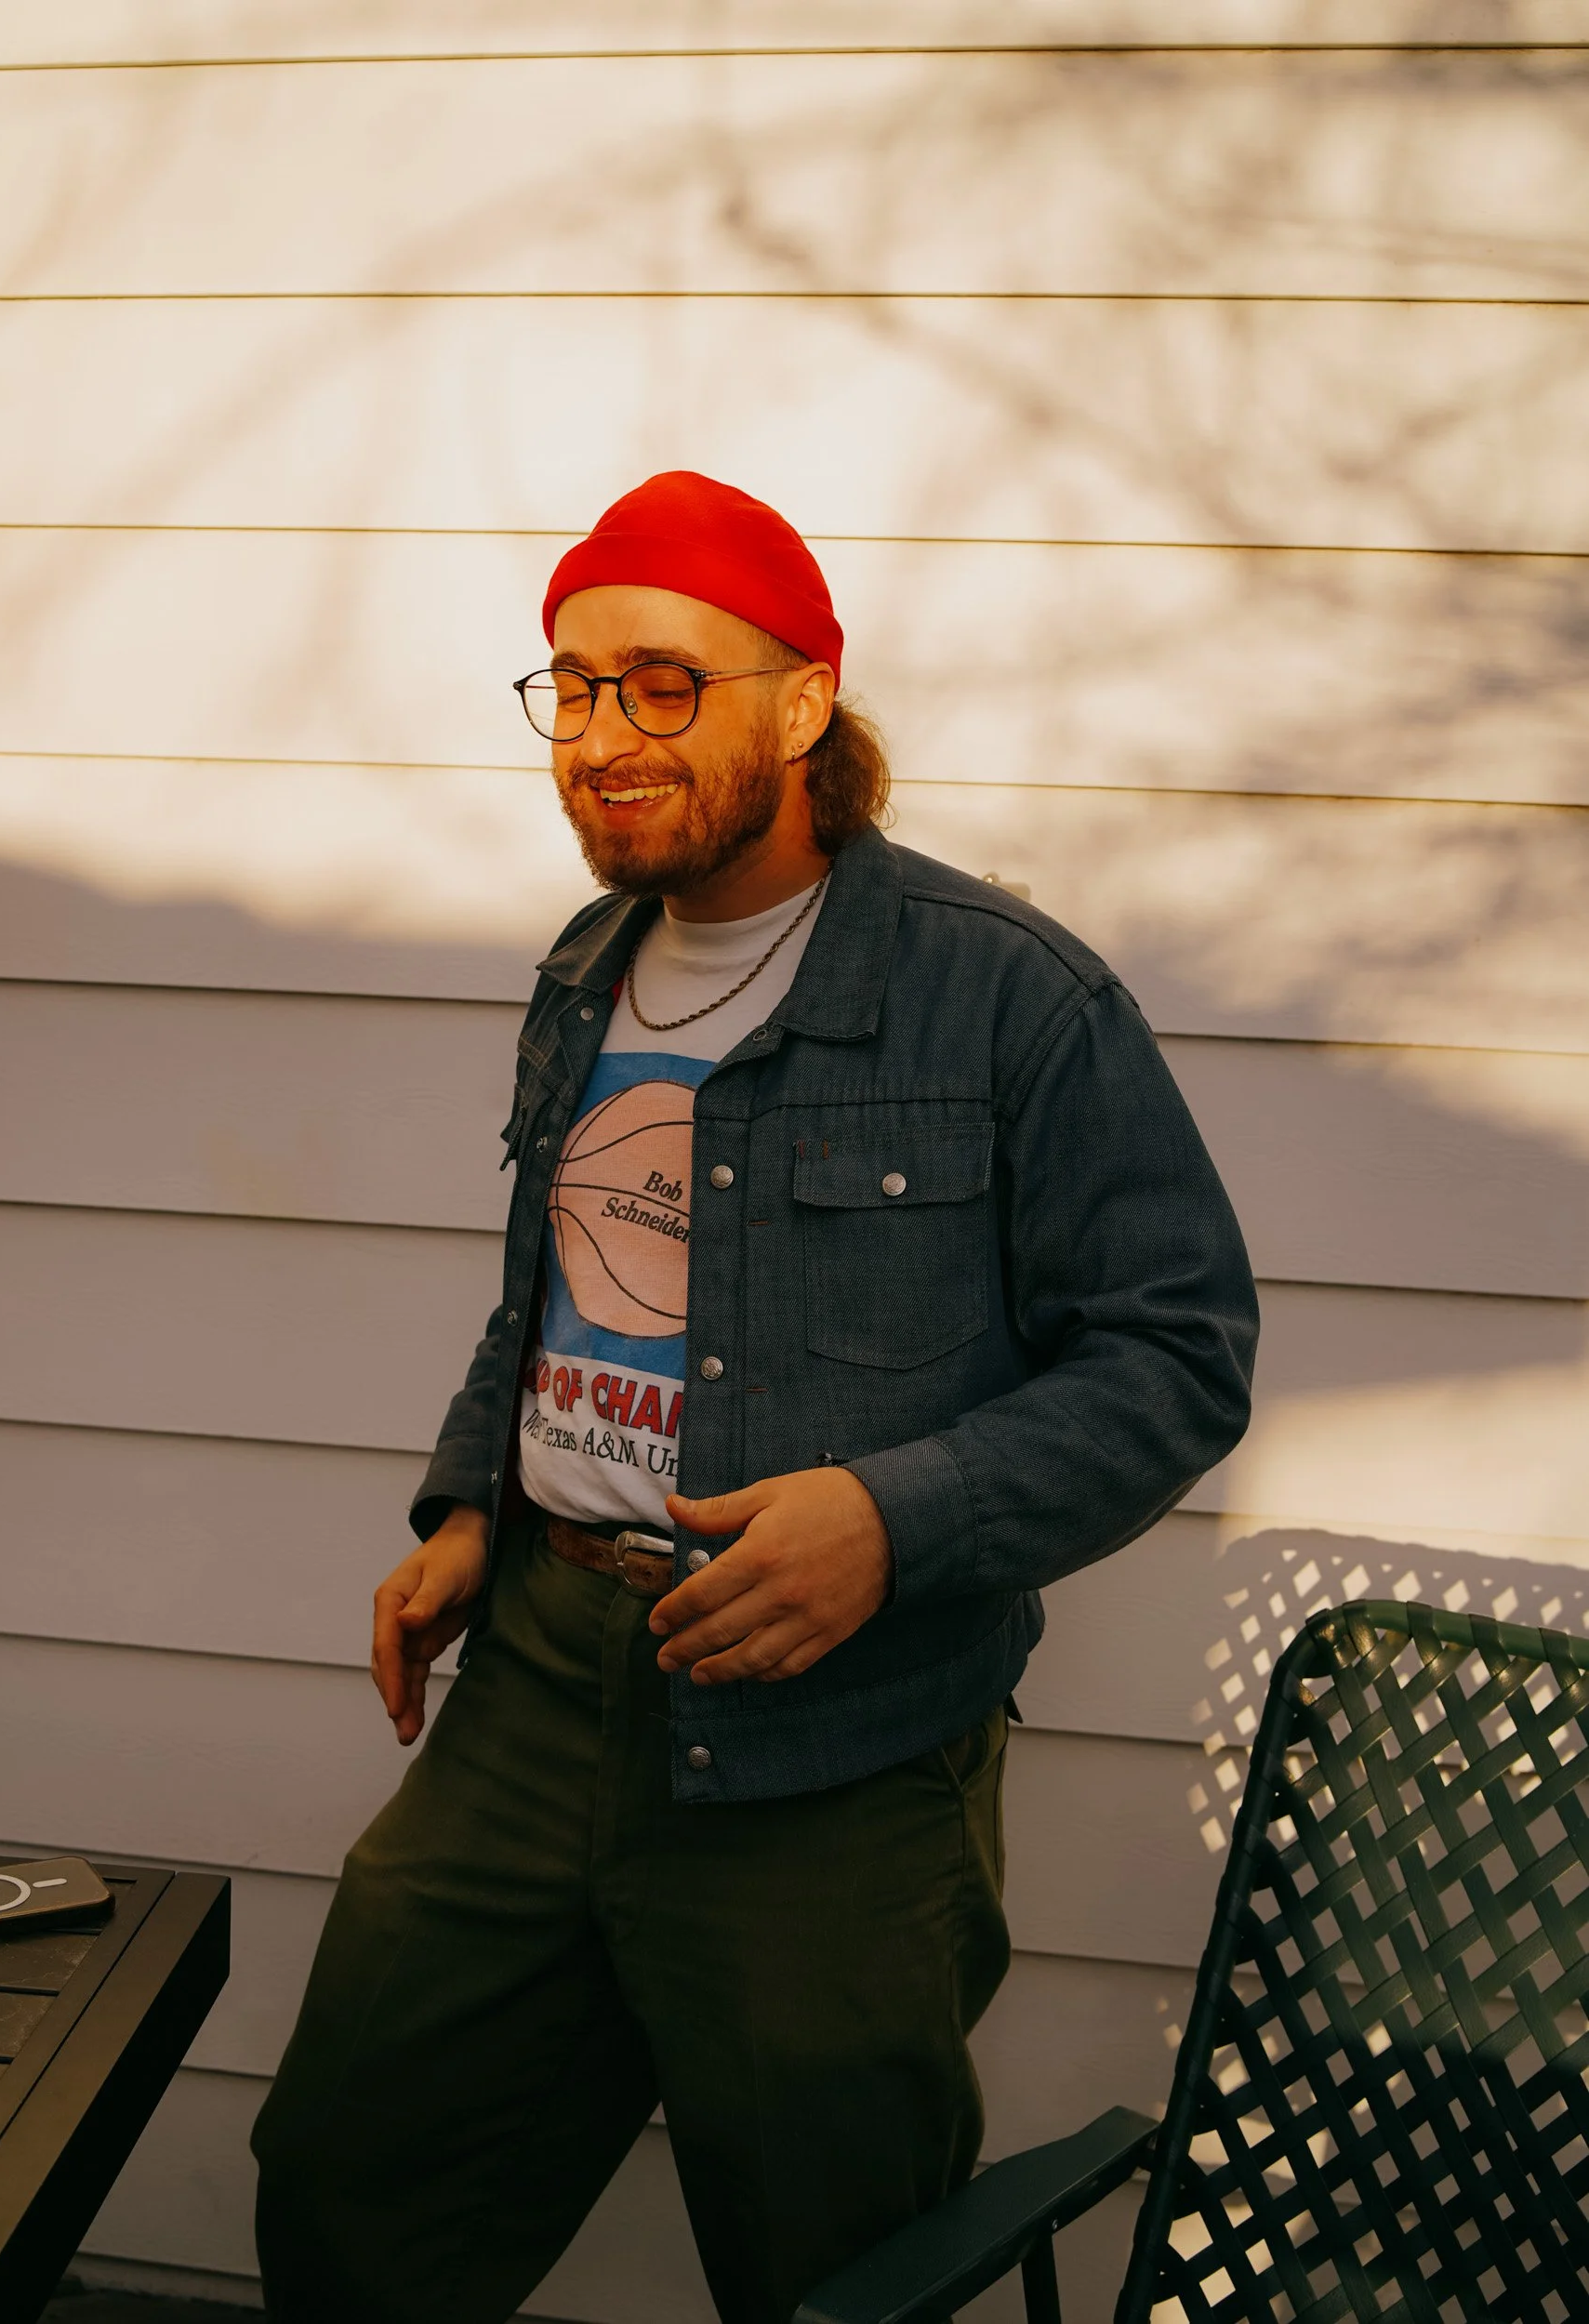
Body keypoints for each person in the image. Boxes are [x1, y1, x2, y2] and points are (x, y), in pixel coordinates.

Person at [251, 472, 1259, 2324]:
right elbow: (558, 1276)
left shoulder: (1005, 998)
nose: (603, 735)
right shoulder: (586, 969)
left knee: (836, 2262)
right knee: (349, 2181)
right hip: (540, 1683)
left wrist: (896, 1515)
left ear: (800, 705)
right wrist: (475, 1500)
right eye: (569, 685)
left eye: (662, 683)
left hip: (836, 1743)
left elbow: (1177, 1349)